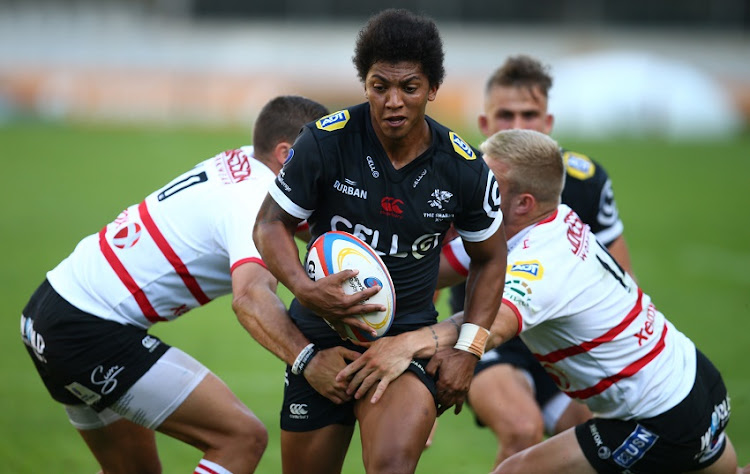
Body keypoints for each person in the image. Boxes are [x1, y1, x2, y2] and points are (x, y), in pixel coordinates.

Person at [339, 129, 748, 474]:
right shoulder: (529, 224)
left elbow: (488, 326)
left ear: (523, 203)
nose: (471, 186)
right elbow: (426, 268)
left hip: (658, 416)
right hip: (692, 381)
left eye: (487, 181)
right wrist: (334, 260)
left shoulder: (543, 259)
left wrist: (405, 346)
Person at [19, 95, 341, 474]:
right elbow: (252, 298)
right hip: (88, 330)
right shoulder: (253, 199)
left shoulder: (247, 162)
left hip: (48, 309)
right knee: (241, 439)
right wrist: (310, 361)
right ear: (286, 155)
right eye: (323, 156)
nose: (330, 170)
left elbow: (310, 225)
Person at [252, 9, 507, 474]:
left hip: (404, 343)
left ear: (432, 89)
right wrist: (305, 290)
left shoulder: (464, 168)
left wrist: (469, 349)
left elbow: (491, 259)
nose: (393, 101)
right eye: (378, 86)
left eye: (408, 87)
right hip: (320, 338)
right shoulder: (325, 142)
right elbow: (270, 224)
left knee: (391, 466)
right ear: (364, 83)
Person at [443, 54, 635, 465]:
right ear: (483, 125)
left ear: (548, 124)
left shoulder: (584, 182)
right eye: (505, 114)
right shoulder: (456, 181)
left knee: (602, 439)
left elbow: (622, 279)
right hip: (487, 336)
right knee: (521, 427)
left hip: (557, 340)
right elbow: (420, 271)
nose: (517, 125)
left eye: (529, 114)